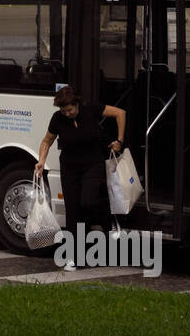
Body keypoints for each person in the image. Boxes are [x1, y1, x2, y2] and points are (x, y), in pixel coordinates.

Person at [35, 86, 125, 266]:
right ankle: (74, 256)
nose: (67, 114)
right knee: (73, 212)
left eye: (70, 109)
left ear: (77, 104)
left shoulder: (91, 110)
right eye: (63, 110)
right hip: (69, 168)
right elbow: (47, 141)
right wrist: (41, 160)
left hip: (93, 165)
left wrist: (119, 140)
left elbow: (120, 113)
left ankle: (103, 222)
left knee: (88, 201)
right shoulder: (57, 119)